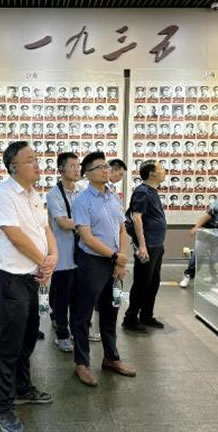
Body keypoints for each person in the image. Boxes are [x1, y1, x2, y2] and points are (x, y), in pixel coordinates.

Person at [0, 141, 58, 432]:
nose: (37, 164)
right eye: (30, 159)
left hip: (32, 276)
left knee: (28, 337)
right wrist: (43, 261)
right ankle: (3, 409)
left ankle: (22, 388)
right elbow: (14, 236)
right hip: (10, 278)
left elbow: (45, 229)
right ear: (13, 166)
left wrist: (53, 257)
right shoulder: (3, 194)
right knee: (9, 345)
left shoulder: (33, 195)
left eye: (36, 158)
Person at [72, 152, 135, 388]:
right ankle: (82, 363)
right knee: (83, 314)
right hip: (92, 262)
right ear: (87, 174)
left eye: (106, 165)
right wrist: (115, 256)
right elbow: (86, 237)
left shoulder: (114, 197)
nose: (105, 170)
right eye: (99, 167)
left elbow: (122, 229)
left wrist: (121, 260)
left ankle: (111, 357)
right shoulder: (82, 201)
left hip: (115, 261)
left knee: (111, 310)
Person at [122, 161, 167, 333]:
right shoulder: (142, 191)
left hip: (156, 244)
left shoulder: (152, 191)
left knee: (153, 282)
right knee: (142, 282)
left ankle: (146, 315)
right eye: (160, 169)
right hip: (147, 245)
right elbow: (137, 218)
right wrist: (142, 245)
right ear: (151, 173)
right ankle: (130, 318)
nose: (164, 171)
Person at [47, 152, 81, 353]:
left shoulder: (82, 191)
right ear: (61, 170)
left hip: (81, 253)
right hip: (63, 253)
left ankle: (76, 330)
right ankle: (61, 333)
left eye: (78, 166)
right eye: (72, 166)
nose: (77, 169)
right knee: (62, 297)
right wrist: (86, 225)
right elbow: (62, 222)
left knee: (78, 296)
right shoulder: (54, 194)